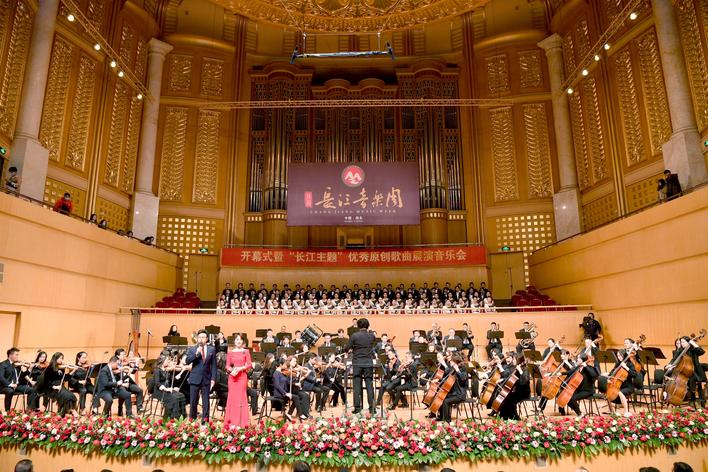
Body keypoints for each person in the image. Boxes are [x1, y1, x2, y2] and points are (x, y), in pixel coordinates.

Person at [345, 317, 376, 415]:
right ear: (368, 325)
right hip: (368, 362)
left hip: (357, 363)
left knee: (357, 385)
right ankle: (372, 408)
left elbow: (347, 348)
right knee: (369, 385)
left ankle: (357, 408)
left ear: (358, 326)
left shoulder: (354, 335)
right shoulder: (372, 335)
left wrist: (352, 348)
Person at [186, 329, 217, 420]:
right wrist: (196, 354)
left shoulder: (212, 349)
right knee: (193, 401)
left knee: (206, 402)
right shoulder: (192, 349)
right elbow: (187, 361)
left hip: (206, 379)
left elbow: (214, 366)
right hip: (194, 378)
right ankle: (192, 420)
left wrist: (213, 379)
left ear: (206, 339)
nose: (201, 339)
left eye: (203, 337)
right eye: (199, 337)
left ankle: (205, 421)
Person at [225, 334, 252, 428]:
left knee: (241, 398)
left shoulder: (246, 351)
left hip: (242, 377)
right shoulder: (230, 352)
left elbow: (249, 365)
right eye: (237, 339)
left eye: (240, 340)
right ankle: (232, 422)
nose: (238, 341)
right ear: (234, 341)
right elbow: (227, 365)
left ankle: (241, 423)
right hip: (232, 377)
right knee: (232, 398)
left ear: (243, 341)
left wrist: (241, 368)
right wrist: (231, 370)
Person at [0, 347, 38, 412]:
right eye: (16, 355)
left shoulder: (17, 366)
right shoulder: (3, 364)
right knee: (10, 391)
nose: (18, 356)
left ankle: (29, 409)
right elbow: (1, 377)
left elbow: (22, 376)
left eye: (18, 355)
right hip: (4, 386)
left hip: (16, 386)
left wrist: (29, 369)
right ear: (10, 355)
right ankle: (7, 411)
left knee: (31, 390)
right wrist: (10, 384)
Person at [437, 352, 468, 422]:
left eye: (451, 361)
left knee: (446, 401)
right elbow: (448, 377)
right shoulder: (453, 369)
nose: (449, 362)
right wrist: (439, 382)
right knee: (442, 397)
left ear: (455, 362)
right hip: (455, 392)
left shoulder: (463, 368)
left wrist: (458, 370)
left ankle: (446, 420)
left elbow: (463, 379)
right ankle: (442, 417)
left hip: (460, 394)